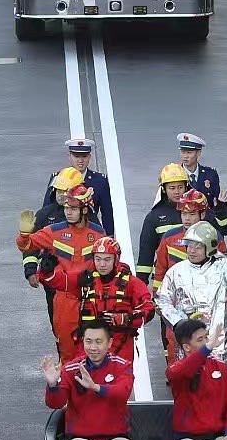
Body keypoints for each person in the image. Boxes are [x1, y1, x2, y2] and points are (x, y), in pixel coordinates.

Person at [19, 184, 105, 355]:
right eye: (66, 208)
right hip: (65, 300)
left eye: (73, 208)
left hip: (92, 297)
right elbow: (28, 246)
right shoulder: (55, 232)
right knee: (67, 349)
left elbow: (108, 263)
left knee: (95, 350)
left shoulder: (98, 234)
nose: (68, 212)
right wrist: (24, 235)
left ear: (85, 210)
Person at [44, 325, 137, 440]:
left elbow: (123, 392)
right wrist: (52, 385)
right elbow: (56, 403)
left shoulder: (122, 366)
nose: (93, 347)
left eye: (98, 342)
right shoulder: (70, 369)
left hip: (115, 439)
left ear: (109, 343)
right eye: (88, 341)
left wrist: (96, 387)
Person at [156, 221, 227, 363]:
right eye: (189, 246)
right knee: (189, 374)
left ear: (209, 248)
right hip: (188, 341)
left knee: (218, 375)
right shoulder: (176, 271)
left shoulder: (223, 266)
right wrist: (178, 322)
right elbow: (161, 300)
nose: (192, 251)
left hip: (218, 338)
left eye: (198, 247)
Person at [54, 236, 152, 361]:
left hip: (120, 346)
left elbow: (149, 310)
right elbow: (61, 281)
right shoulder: (86, 279)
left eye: (107, 259)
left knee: (119, 374)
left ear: (116, 259)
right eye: (98, 259)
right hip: (89, 345)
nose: (102, 264)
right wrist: (48, 271)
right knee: (78, 372)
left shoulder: (132, 283)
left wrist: (126, 318)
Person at [167, 318, 227, 440]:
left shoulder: (221, 368)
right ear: (186, 347)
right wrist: (208, 348)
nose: (207, 342)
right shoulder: (175, 370)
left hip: (219, 438)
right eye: (200, 339)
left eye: (207, 338)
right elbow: (186, 369)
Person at [41, 138, 115, 236]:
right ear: (69, 156)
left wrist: (108, 238)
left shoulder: (100, 181)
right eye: (76, 156)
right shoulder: (58, 178)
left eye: (84, 156)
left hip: (88, 234)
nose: (80, 160)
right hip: (61, 233)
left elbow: (107, 214)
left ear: (89, 157)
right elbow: (47, 209)